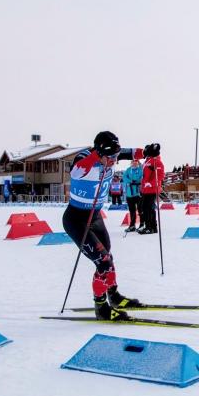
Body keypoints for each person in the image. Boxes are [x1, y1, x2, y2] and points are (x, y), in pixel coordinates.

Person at [62, 131, 147, 320]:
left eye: (116, 157)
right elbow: (76, 170)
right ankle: (101, 307)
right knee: (103, 261)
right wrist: (97, 155)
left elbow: (132, 152)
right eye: (110, 157)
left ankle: (113, 296)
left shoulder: (110, 155)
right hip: (76, 219)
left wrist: (148, 151)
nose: (114, 161)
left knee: (107, 258)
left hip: (95, 217)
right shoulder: (84, 159)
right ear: (99, 152)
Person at [138, 144, 165, 234]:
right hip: (146, 189)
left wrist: (151, 183)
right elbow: (145, 175)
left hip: (152, 189)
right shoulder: (147, 161)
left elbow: (160, 175)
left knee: (147, 208)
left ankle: (149, 227)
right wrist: (143, 184)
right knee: (148, 207)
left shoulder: (156, 161)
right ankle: (152, 227)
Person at [122, 159, 144, 232]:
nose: (134, 164)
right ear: (131, 163)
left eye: (136, 163)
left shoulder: (140, 169)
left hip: (138, 193)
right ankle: (132, 225)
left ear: (138, 163)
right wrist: (130, 181)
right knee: (132, 210)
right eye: (133, 163)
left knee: (140, 209)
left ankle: (142, 224)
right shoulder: (128, 170)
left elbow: (141, 177)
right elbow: (124, 177)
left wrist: (136, 181)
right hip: (129, 194)